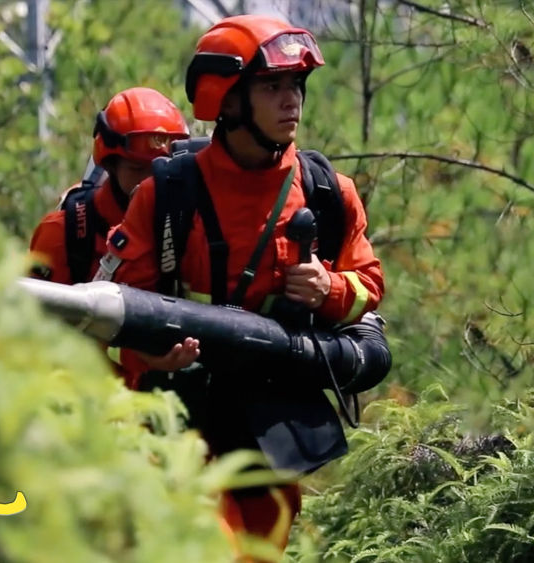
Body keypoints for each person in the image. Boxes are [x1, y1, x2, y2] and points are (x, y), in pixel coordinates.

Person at [98, 15, 388, 562]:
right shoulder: (167, 194)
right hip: (184, 420)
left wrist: (328, 288)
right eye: (272, 86)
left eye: (295, 85)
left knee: (262, 550)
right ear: (227, 99)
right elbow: (116, 313)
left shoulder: (327, 192)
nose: (291, 100)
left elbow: (368, 284)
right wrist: (151, 359)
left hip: (274, 424)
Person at [28, 87, 189, 286]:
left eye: (162, 170)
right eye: (138, 169)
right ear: (111, 165)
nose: (150, 182)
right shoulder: (62, 234)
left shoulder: (192, 227)